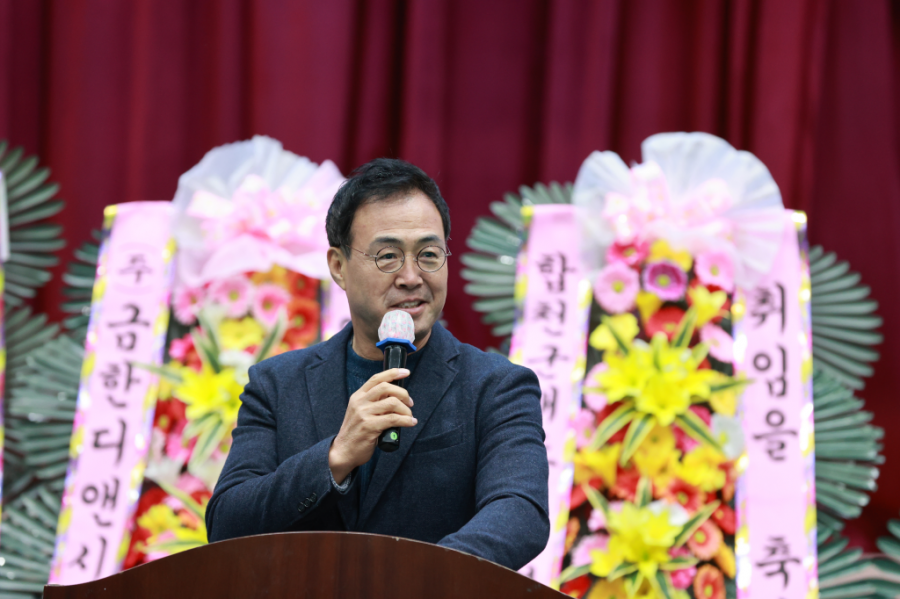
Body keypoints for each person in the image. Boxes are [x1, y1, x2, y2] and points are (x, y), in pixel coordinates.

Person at [206, 158, 549, 570]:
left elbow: (520, 513)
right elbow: (227, 523)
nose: (411, 276)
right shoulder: (277, 385)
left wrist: (412, 582)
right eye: (388, 256)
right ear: (338, 267)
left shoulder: (497, 387)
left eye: (429, 254)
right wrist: (335, 456)